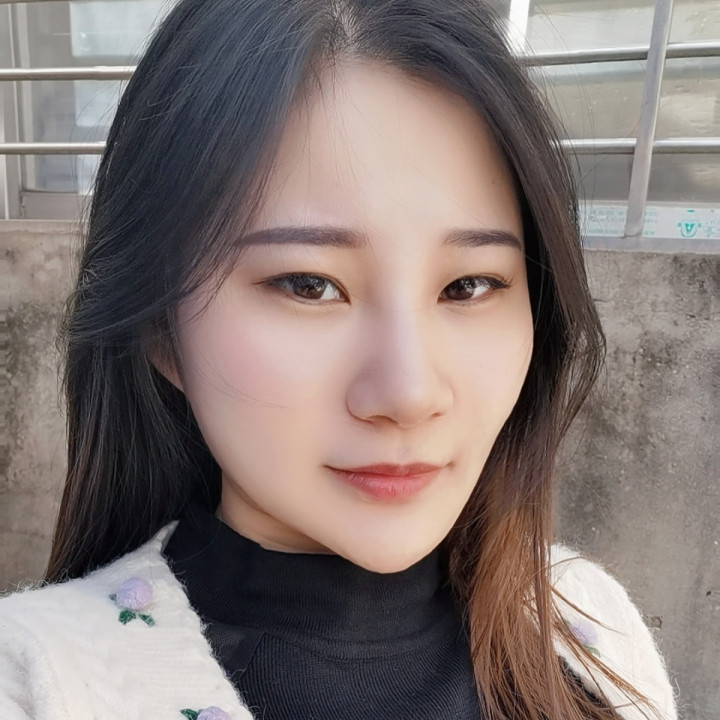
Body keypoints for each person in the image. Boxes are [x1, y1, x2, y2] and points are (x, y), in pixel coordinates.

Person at [0, 0, 676, 718]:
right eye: (308, 285)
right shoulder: (36, 681)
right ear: (162, 330)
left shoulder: (584, 623)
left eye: (469, 285)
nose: (409, 393)